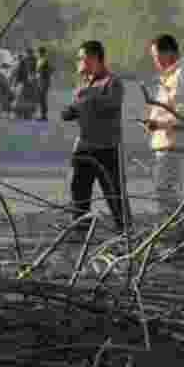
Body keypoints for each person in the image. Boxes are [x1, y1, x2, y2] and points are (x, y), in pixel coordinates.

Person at [60, 39, 127, 234]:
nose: (79, 62)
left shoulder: (112, 82)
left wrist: (86, 95)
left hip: (107, 148)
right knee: (78, 190)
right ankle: (80, 230)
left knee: (114, 194)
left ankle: (125, 232)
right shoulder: (84, 83)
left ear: (94, 58)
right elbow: (75, 108)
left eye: (82, 58)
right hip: (84, 146)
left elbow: (110, 104)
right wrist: (70, 109)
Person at [142, 34, 184, 223]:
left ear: (168, 53)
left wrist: (157, 124)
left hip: (173, 143)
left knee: (167, 190)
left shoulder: (182, 75)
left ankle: (176, 230)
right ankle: (176, 229)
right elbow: (164, 108)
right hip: (163, 143)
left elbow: (183, 115)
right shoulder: (168, 75)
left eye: (156, 56)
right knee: (166, 190)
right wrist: (151, 120)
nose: (154, 61)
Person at [34, 45, 52, 121]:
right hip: (40, 81)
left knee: (42, 98)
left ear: (41, 53)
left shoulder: (44, 60)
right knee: (40, 98)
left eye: (38, 52)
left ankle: (43, 115)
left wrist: (44, 74)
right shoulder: (40, 60)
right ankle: (42, 114)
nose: (37, 54)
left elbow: (51, 69)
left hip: (43, 81)